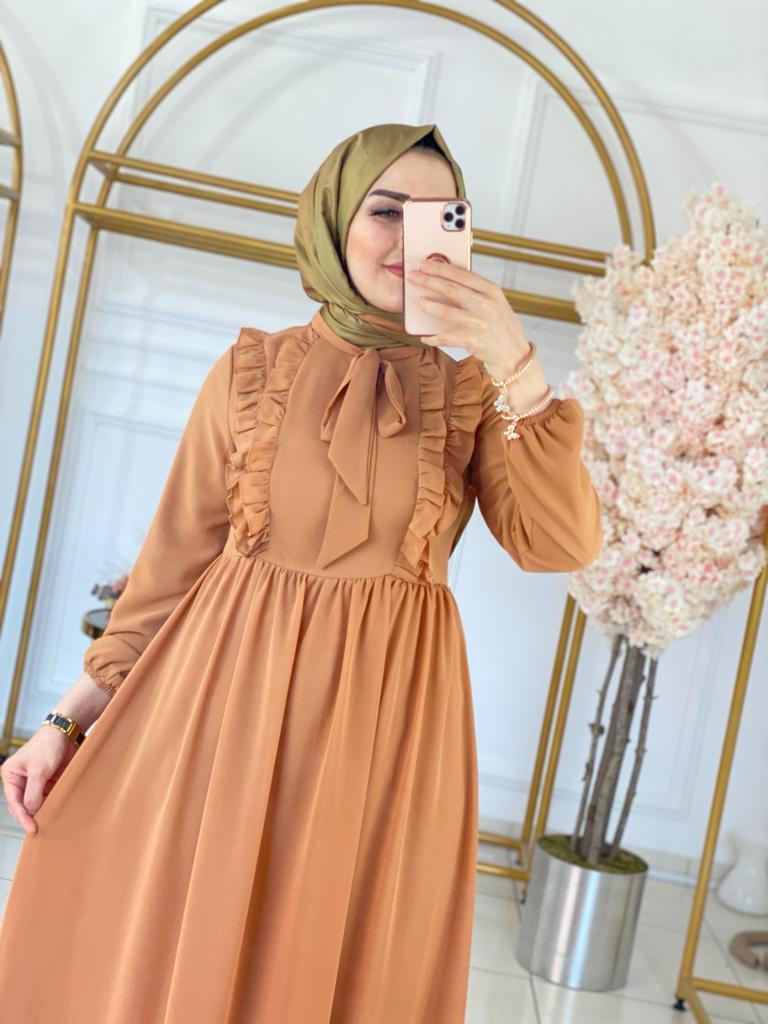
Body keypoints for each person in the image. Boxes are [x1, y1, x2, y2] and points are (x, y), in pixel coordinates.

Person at [0, 121, 602, 1022]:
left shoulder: (474, 395)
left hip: (388, 731)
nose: (408, 240)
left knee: (334, 960)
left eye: (439, 216)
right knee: (188, 943)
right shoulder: (253, 370)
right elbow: (168, 572)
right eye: (385, 211)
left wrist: (516, 363)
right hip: (221, 715)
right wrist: (62, 722)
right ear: (332, 220)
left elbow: (559, 544)